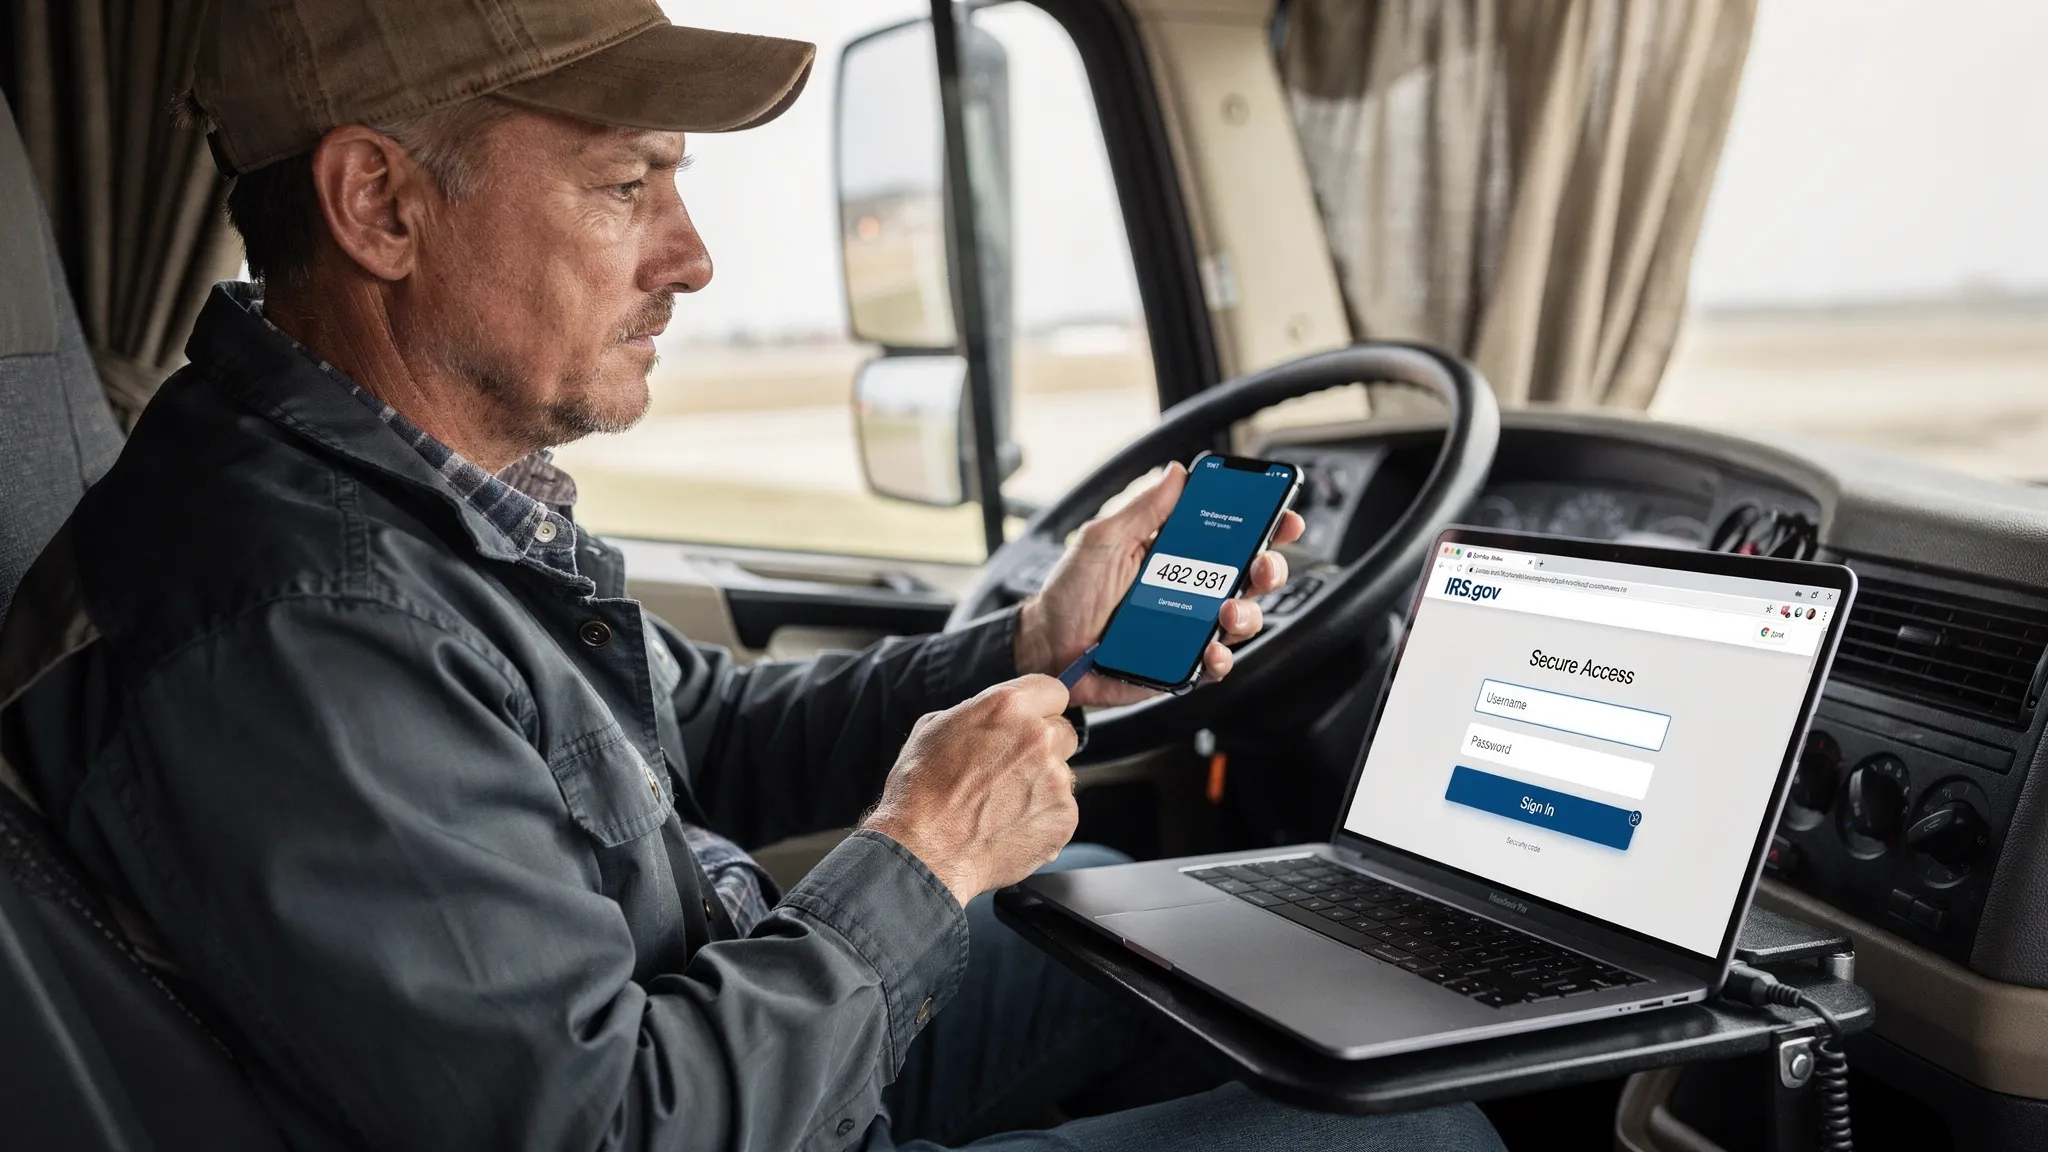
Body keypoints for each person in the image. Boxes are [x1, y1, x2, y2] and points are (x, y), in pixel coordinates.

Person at [0, 1, 1502, 1150]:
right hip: (696, 1103)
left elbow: (698, 730)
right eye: (625, 182)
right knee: (1413, 1129)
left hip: (719, 1033)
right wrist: (923, 857)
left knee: (1128, 911)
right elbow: (613, 1129)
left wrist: (1027, 647)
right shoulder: (300, 621)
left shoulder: (400, 507)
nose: (693, 255)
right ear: (381, 206)